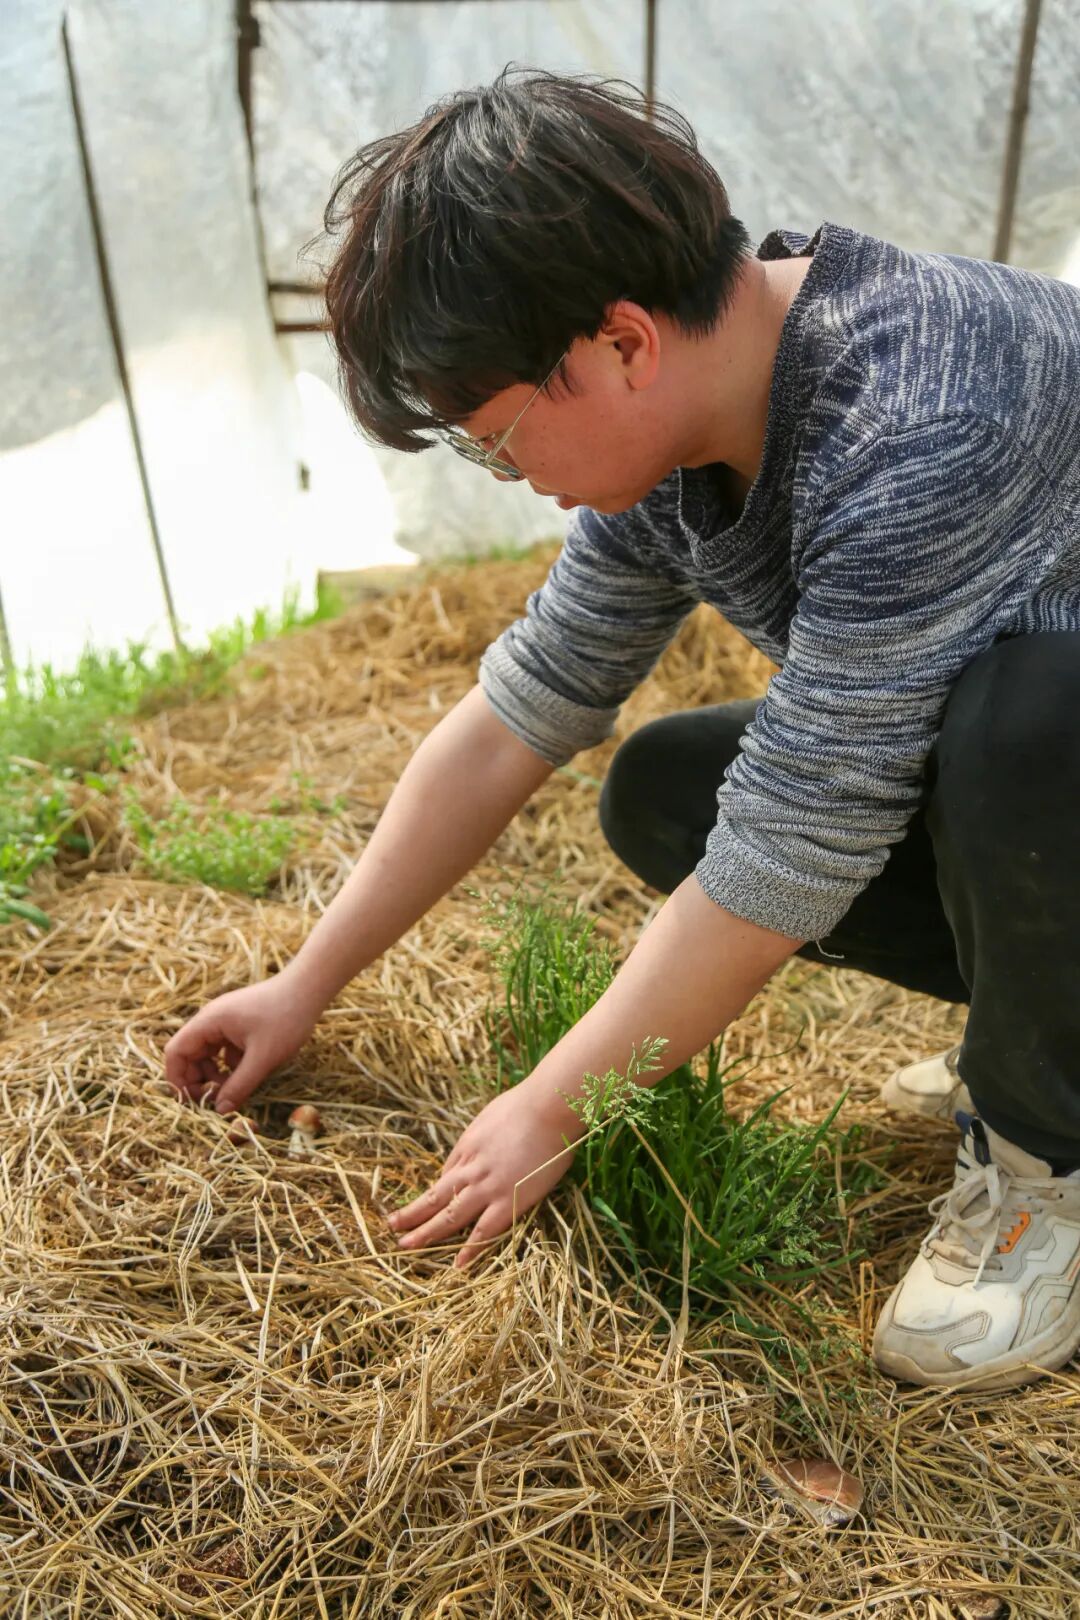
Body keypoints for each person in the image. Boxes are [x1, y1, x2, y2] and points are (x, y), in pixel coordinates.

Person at [164, 67, 1080, 1393]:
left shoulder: (922, 417)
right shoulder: (688, 427)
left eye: (496, 441)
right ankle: (1039, 1022)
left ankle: (1049, 1152)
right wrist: (303, 985)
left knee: (1030, 715)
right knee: (666, 791)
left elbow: (800, 836)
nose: (510, 477)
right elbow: (520, 711)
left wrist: (552, 1107)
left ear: (622, 346)